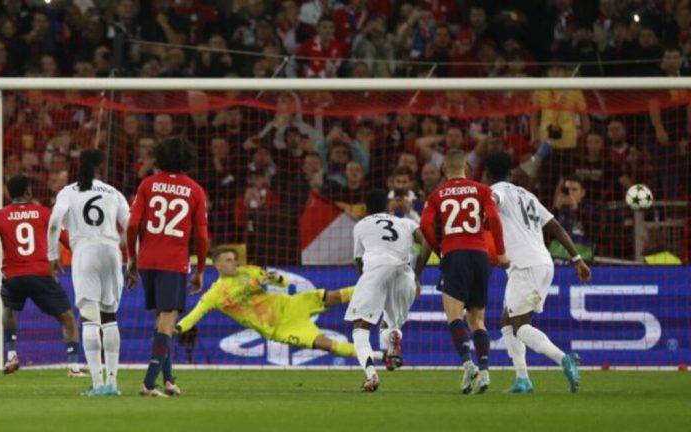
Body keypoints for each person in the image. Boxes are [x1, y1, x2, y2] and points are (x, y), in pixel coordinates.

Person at [484, 152, 590, 393]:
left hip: (525, 264)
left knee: (520, 325)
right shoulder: (527, 195)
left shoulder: (496, 191)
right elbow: (555, 226)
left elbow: (490, 202)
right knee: (506, 321)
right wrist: (577, 258)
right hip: (542, 261)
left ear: (487, 175)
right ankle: (522, 379)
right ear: (511, 173)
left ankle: (563, 358)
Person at [0, 175, 83, 377]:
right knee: (68, 319)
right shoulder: (44, 213)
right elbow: (68, 240)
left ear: (8, 193)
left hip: (13, 277)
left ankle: (11, 355)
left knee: (10, 309)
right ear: (28, 191)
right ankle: (73, 366)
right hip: (41, 275)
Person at [176, 248, 378, 361]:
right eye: (228, 260)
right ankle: (378, 356)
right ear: (217, 264)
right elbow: (195, 314)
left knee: (333, 296)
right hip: (278, 327)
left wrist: (276, 278)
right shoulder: (214, 294)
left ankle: (377, 289)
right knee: (326, 345)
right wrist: (178, 327)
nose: (234, 263)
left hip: (290, 305)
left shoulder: (248, 271)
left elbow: (283, 282)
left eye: (234, 259)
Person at [419, 149, 508, 394]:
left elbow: (424, 225)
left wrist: (440, 247)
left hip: (455, 254)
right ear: (466, 168)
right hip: (480, 256)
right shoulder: (482, 190)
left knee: (454, 315)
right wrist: (500, 252)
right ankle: (485, 371)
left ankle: (468, 364)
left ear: (444, 169)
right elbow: (494, 218)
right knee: (477, 318)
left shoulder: (437, 195)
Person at [126, 136, 209, 397]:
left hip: (148, 260)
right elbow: (203, 236)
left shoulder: (148, 184)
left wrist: (132, 258)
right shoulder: (195, 190)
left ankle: (169, 380)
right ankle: (149, 384)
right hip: (174, 262)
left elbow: (131, 225)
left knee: (161, 320)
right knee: (168, 320)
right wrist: (201, 270)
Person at [48, 150, 130, 396]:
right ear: (100, 168)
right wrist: (133, 259)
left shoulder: (69, 191)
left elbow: (54, 223)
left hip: (84, 252)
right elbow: (131, 226)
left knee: (90, 319)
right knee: (110, 317)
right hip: (112, 252)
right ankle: (113, 382)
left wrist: (52, 256)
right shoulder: (114, 192)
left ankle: (97, 383)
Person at [347, 190, 431, 392]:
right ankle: (393, 340)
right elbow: (428, 242)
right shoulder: (405, 223)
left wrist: (366, 282)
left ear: (365, 209)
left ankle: (371, 375)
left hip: (376, 269)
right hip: (404, 273)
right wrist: (417, 274)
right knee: (390, 324)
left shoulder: (361, 225)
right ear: (388, 206)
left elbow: (358, 260)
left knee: (360, 327)